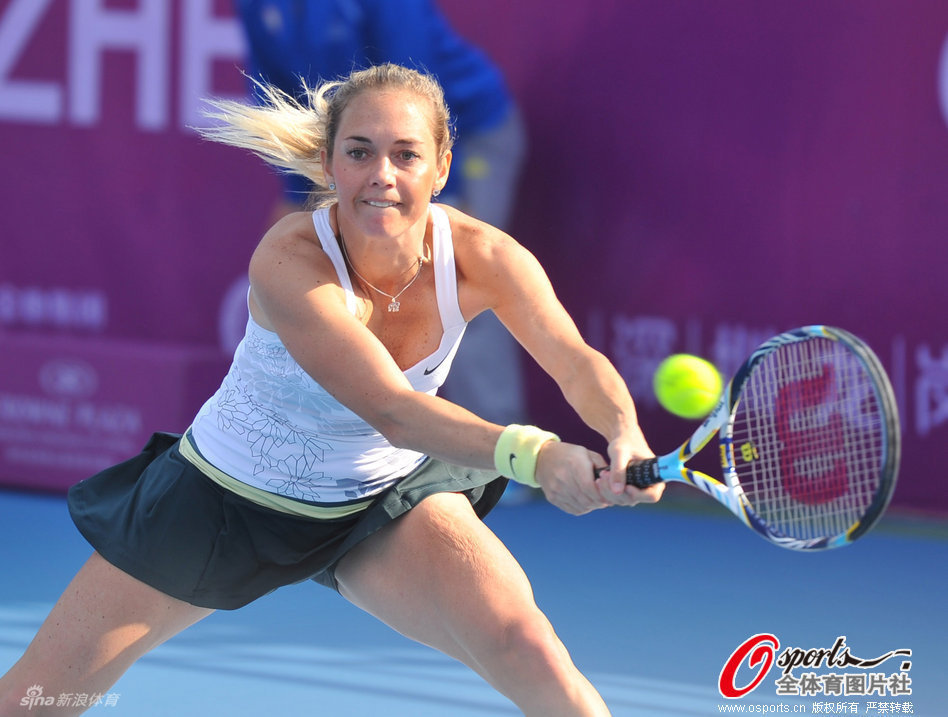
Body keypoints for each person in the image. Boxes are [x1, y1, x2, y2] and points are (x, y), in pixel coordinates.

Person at [0, 64, 662, 717]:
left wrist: (622, 430)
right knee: (37, 699)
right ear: (329, 163)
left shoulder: (486, 257)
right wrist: (536, 455)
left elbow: (576, 362)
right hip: (221, 503)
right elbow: (390, 408)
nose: (383, 175)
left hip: (381, 505)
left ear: (441, 167)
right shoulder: (290, 259)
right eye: (360, 151)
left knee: (527, 645)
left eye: (406, 154)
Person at [227, 0, 530, 431]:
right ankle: (385, 436)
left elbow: (422, 96)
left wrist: (450, 194)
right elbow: (273, 88)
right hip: (361, 147)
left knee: (458, 277)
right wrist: (296, 193)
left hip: (466, 136)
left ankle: (499, 444)